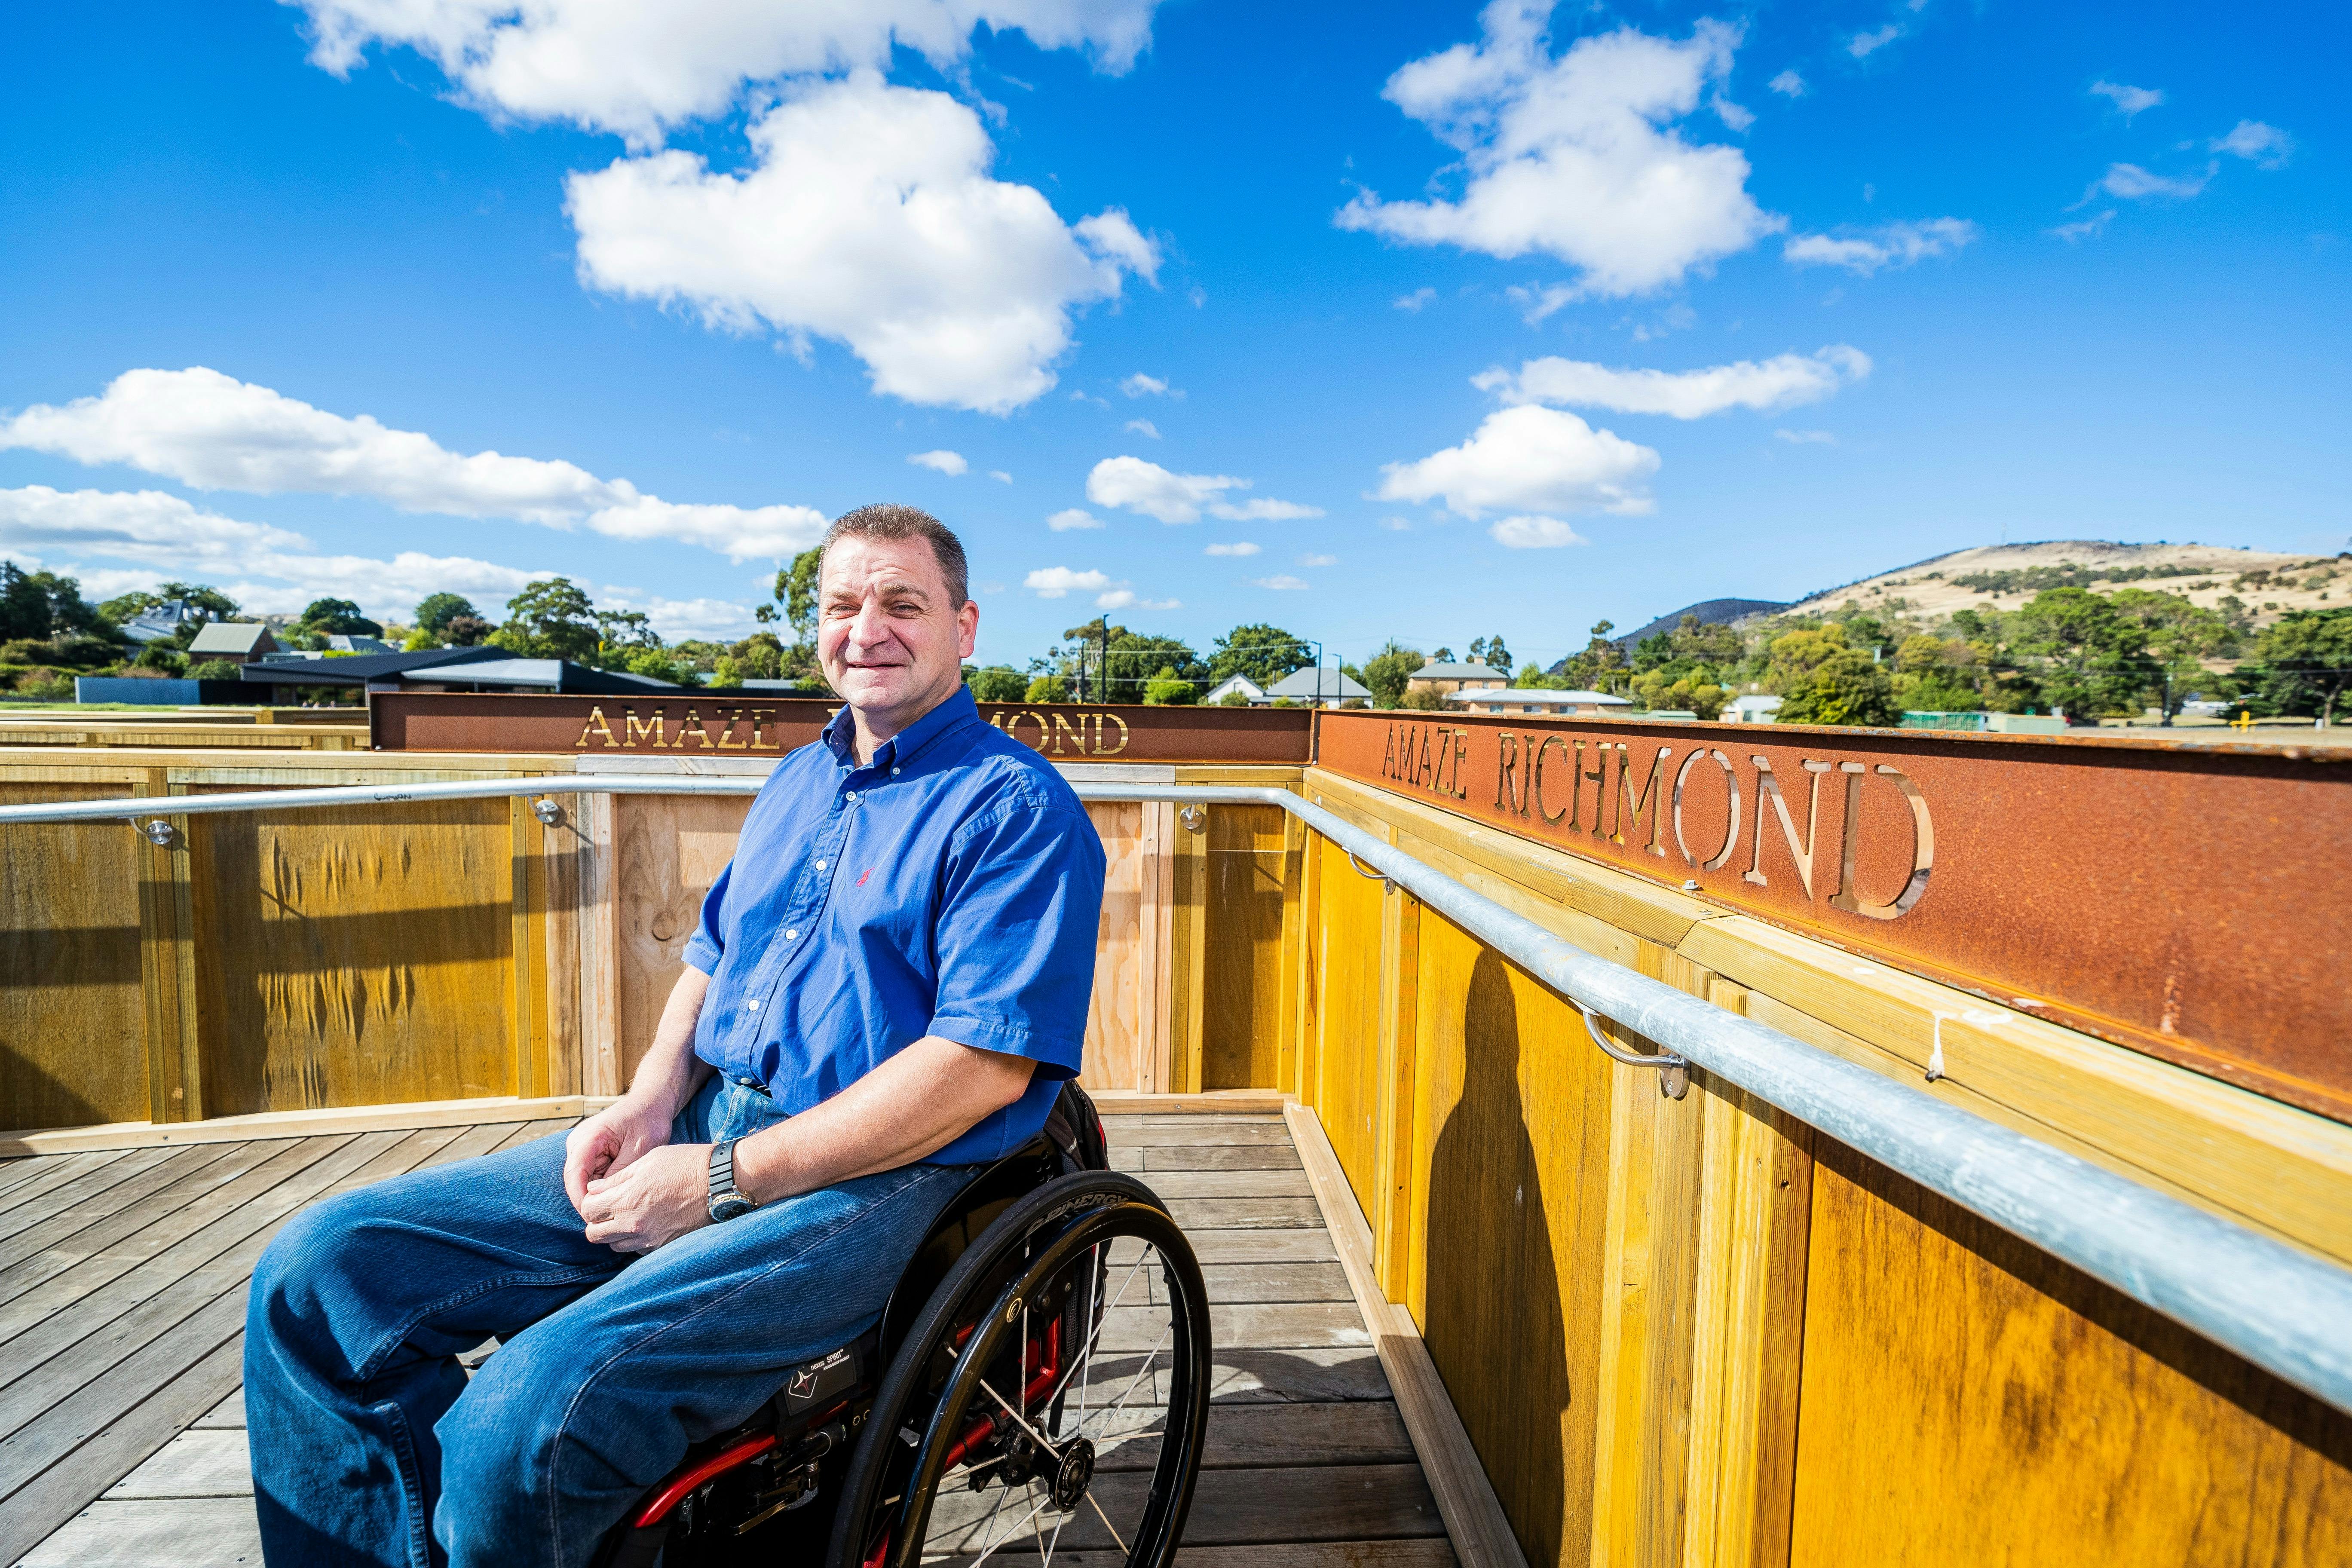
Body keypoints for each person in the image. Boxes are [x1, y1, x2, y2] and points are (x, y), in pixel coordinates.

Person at [245, 505, 1106, 1568]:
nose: (866, 629)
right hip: (708, 1121)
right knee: (320, 1276)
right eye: (843, 605)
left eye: (902, 604)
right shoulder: (804, 779)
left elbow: (980, 1067)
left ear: (964, 628)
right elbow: (712, 959)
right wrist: (651, 1102)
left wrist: (721, 1182)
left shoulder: (1015, 808)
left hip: (877, 1172)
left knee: (525, 1427)